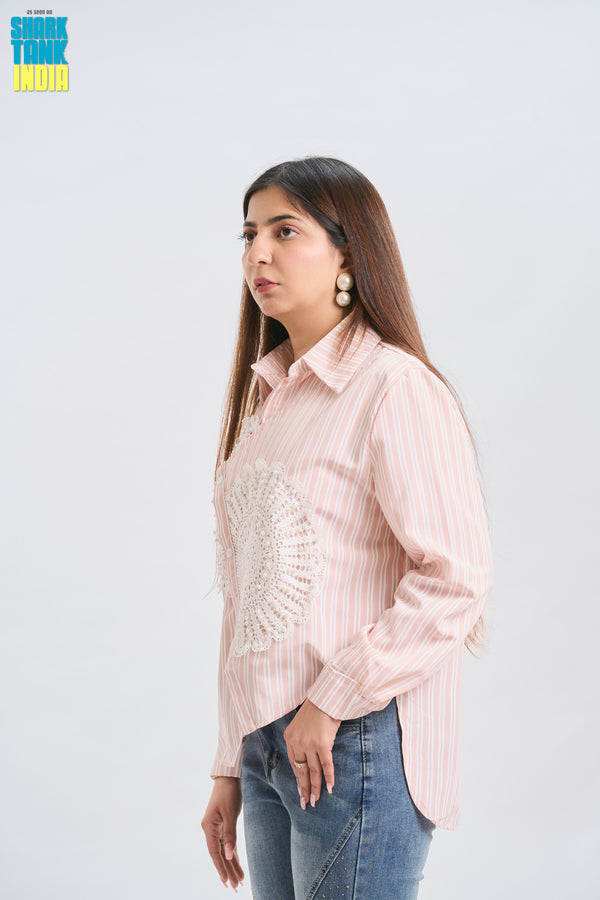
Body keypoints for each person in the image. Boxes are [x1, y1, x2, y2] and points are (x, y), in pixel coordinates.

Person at [201, 156, 493, 898]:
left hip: (353, 739)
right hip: (271, 741)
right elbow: (251, 598)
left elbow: (455, 578)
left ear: (348, 256)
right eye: (249, 233)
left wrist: (331, 699)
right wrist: (231, 760)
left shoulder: (395, 387)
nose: (257, 254)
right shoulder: (269, 406)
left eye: (285, 230)